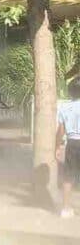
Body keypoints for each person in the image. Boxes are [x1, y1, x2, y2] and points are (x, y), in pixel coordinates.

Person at [56, 78, 80, 218]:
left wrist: (57, 147)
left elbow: (60, 130)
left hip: (72, 143)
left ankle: (65, 209)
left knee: (68, 176)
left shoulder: (65, 107)